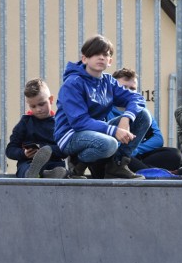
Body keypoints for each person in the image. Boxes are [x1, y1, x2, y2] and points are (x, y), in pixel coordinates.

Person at [53, 34, 151, 179]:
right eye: (96, 54)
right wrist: (113, 130)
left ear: (110, 61)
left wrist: (126, 118)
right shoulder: (73, 83)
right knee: (109, 143)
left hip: (95, 132)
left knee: (143, 115)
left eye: (105, 55)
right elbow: (79, 121)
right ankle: (76, 167)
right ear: (85, 58)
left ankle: (117, 165)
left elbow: (136, 98)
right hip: (70, 135)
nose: (101, 57)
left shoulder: (108, 81)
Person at [5, 78, 68, 178]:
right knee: (25, 168)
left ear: (51, 100)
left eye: (41, 104)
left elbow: (65, 150)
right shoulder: (25, 122)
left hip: (53, 162)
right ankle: (34, 174)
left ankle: (46, 173)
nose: (38, 109)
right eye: (33, 106)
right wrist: (24, 153)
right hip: (29, 162)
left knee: (61, 169)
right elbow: (10, 150)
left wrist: (46, 150)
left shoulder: (59, 123)